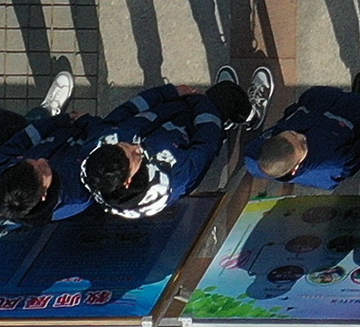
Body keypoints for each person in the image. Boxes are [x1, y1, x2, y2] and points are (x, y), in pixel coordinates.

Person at [82, 65, 266, 222]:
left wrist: (169, 93)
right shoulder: (174, 177)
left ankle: (222, 110)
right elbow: (206, 145)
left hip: (173, 112)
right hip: (191, 126)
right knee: (225, 94)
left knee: (219, 101)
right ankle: (249, 115)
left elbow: (128, 109)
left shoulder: (99, 143)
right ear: (128, 181)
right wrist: (203, 104)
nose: (136, 147)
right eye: (134, 155)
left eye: (122, 145)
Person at [0, 66, 96, 227]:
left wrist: (58, 121)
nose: (42, 160)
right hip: (87, 139)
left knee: (32, 120)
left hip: (58, 132)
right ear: (43, 194)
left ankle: (48, 110)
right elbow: (101, 154)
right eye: (43, 169)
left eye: (29, 161)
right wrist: (91, 125)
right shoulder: (77, 196)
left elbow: (21, 140)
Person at [250, 72, 360, 192]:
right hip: (352, 120)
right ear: (295, 168)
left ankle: (359, 99)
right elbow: (356, 155)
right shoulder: (334, 163)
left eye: (292, 133)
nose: (302, 136)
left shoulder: (259, 154)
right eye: (303, 144)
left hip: (324, 106)